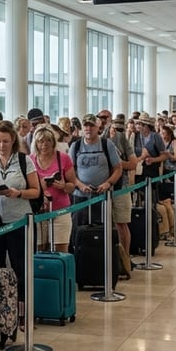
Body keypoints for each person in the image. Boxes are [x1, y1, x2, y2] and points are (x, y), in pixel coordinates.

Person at [0, 121, 40, 294]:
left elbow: (36, 191)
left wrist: (18, 193)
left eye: (5, 141)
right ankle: (0, 309)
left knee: (21, 267)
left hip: (20, 222)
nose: (1, 145)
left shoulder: (25, 161)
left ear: (13, 140)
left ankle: (24, 309)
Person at [30, 125, 77, 253]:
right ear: (36, 143)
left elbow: (72, 185)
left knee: (60, 250)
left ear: (53, 142)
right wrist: (41, 189)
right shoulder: (30, 160)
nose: (44, 145)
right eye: (40, 141)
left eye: (48, 141)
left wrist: (63, 186)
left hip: (60, 210)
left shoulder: (63, 158)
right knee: (39, 250)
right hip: (39, 211)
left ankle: (61, 273)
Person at [71, 114, 123, 227]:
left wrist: (108, 183)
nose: (88, 129)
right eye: (86, 126)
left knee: (103, 228)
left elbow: (118, 168)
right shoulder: (75, 146)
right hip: (80, 196)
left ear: (98, 127)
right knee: (79, 228)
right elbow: (70, 172)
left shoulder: (107, 144)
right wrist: (80, 186)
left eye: (92, 126)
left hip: (102, 195)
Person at [97, 110, 135, 256]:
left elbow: (132, 163)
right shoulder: (93, 139)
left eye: (105, 118)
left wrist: (117, 164)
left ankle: (124, 259)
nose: (103, 121)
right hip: (100, 187)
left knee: (121, 223)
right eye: (100, 118)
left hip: (120, 186)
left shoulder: (121, 137)